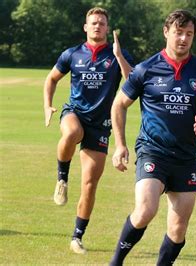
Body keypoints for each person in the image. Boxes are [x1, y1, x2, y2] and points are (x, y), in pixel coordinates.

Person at [109, 9, 196, 265]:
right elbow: (119, 105)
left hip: (186, 157)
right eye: (178, 32)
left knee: (178, 228)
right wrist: (120, 145)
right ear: (166, 32)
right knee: (145, 210)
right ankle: (115, 261)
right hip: (153, 151)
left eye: (189, 34)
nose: (183, 38)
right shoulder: (146, 69)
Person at [43, 7, 132, 254]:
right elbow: (51, 79)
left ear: (107, 28)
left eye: (102, 23)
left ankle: (77, 237)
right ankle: (61, 178)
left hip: (100, 123)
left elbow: (134, 82)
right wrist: (48, 105)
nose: (97, 26)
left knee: (90, 184)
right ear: (85, 27)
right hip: (75, 112)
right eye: (93, 23)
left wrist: (119, 55)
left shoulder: (118, 55)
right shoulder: (72, 54)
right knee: (72, 133)